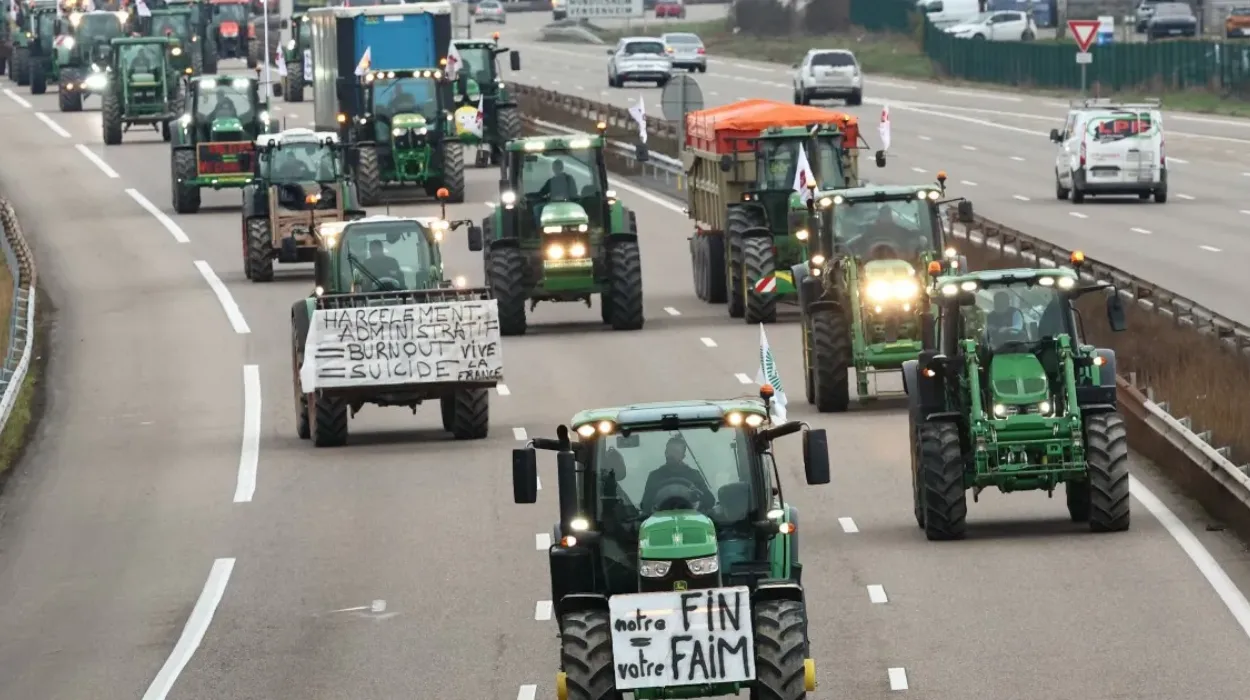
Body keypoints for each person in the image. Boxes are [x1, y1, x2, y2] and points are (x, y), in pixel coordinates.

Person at [638, 436, 716, 514]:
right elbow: (645, 505)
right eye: (669, 451)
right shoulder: (655, 476)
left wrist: (697, 493)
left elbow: (710, 502)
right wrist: (654, 494)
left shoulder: (694, 475)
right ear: (665, 453)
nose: (671, 455)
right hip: (661, 520)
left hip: (690, 519)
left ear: (683, 456)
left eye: (676, 452)